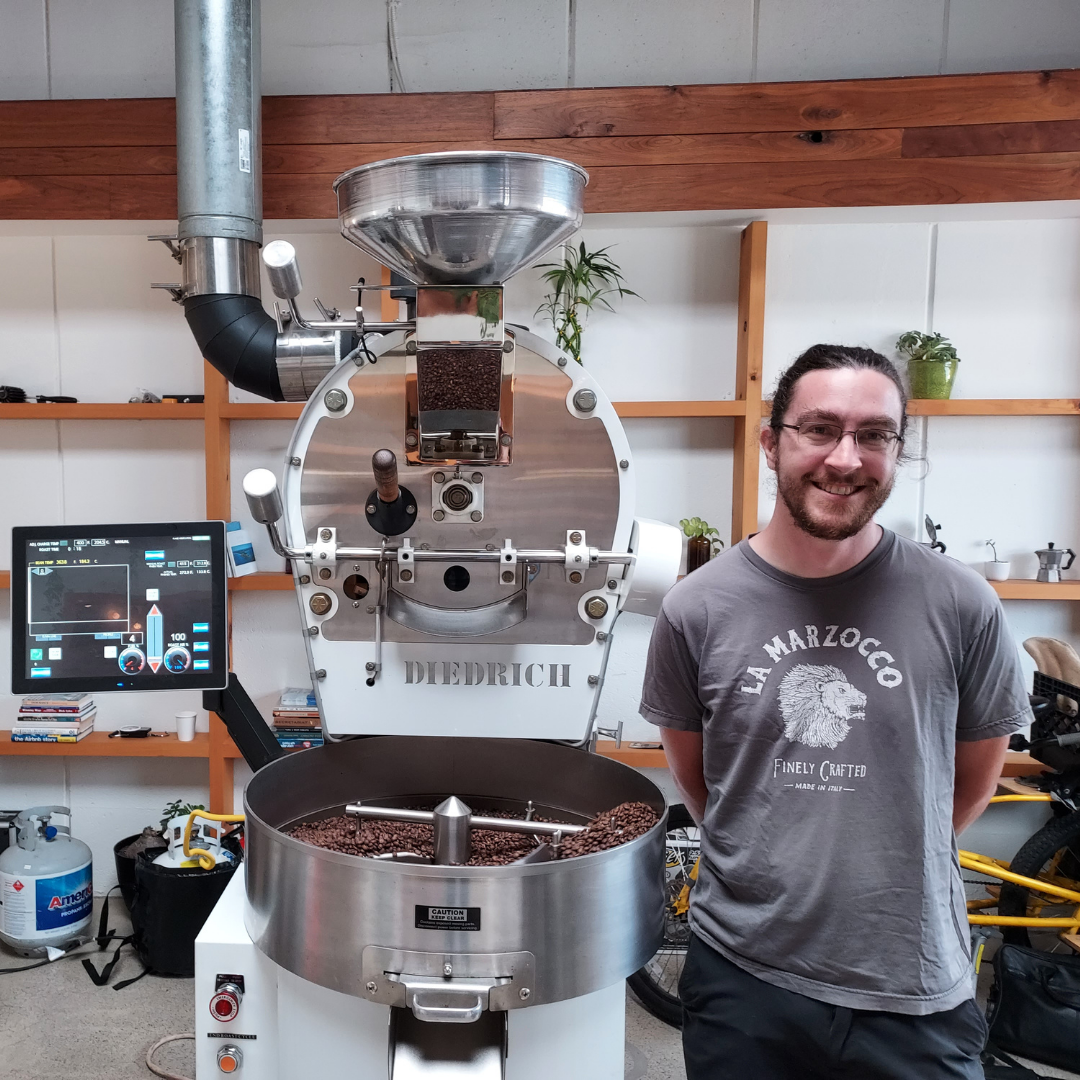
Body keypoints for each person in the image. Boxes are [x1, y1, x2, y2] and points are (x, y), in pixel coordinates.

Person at [639, 344, 1032, 1079]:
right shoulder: (696, 608)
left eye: (874, 435)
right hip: (743, 975)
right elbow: (702, 783)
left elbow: (972, 782)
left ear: (898, 450)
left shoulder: (961, 603)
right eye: (819, 429)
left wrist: (888, 852)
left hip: (912, 979)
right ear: (771, 442)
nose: (845, 459)